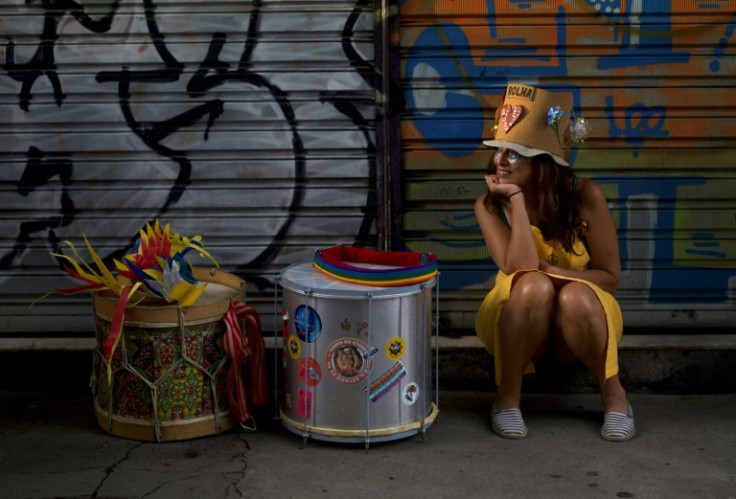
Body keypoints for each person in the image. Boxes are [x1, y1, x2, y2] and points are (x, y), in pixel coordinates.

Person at [474, 83, 634, 441]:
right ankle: (507, 399)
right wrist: (514, 200)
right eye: (498, 150)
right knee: (532, 285)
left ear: (541, 162)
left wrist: (552, 273)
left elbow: (609, 277)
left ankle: (615, 396)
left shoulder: (585, 194)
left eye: (513, 153)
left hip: (577, 320)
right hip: (518, 315)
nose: (500, 160)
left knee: (573, 293)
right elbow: (517, 270)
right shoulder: (490, 204)